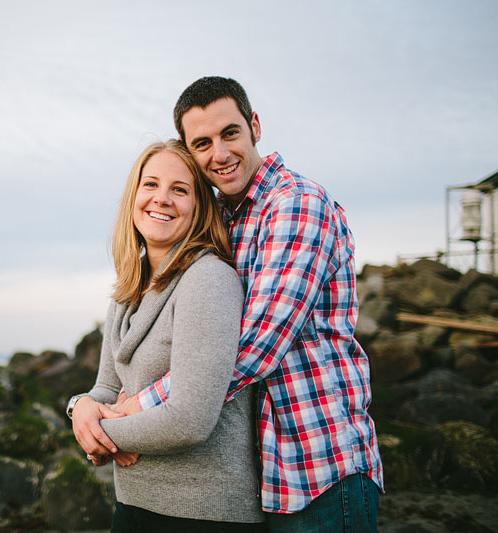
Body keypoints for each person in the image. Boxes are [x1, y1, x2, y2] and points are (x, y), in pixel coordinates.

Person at [72, 77, 383, 532]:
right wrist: (83, 406)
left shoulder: (295, 205)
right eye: (202, 142)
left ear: (254, 126)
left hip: (317, 461)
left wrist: (127, 412)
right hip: (262, 472)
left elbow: (257, 342)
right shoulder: (221, 220)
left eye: (230, 133)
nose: (219, 153)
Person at [68, 139, 266, 531]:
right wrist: (79, 408)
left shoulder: (208, 279)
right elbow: (106, 388)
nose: (162, 199)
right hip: (135, 503)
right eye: (151, 184)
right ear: (134, 196)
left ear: (199, 206)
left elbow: (191, 419)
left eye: (180, 189)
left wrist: (100, 432)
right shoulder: (130, 288)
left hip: (204, 512)